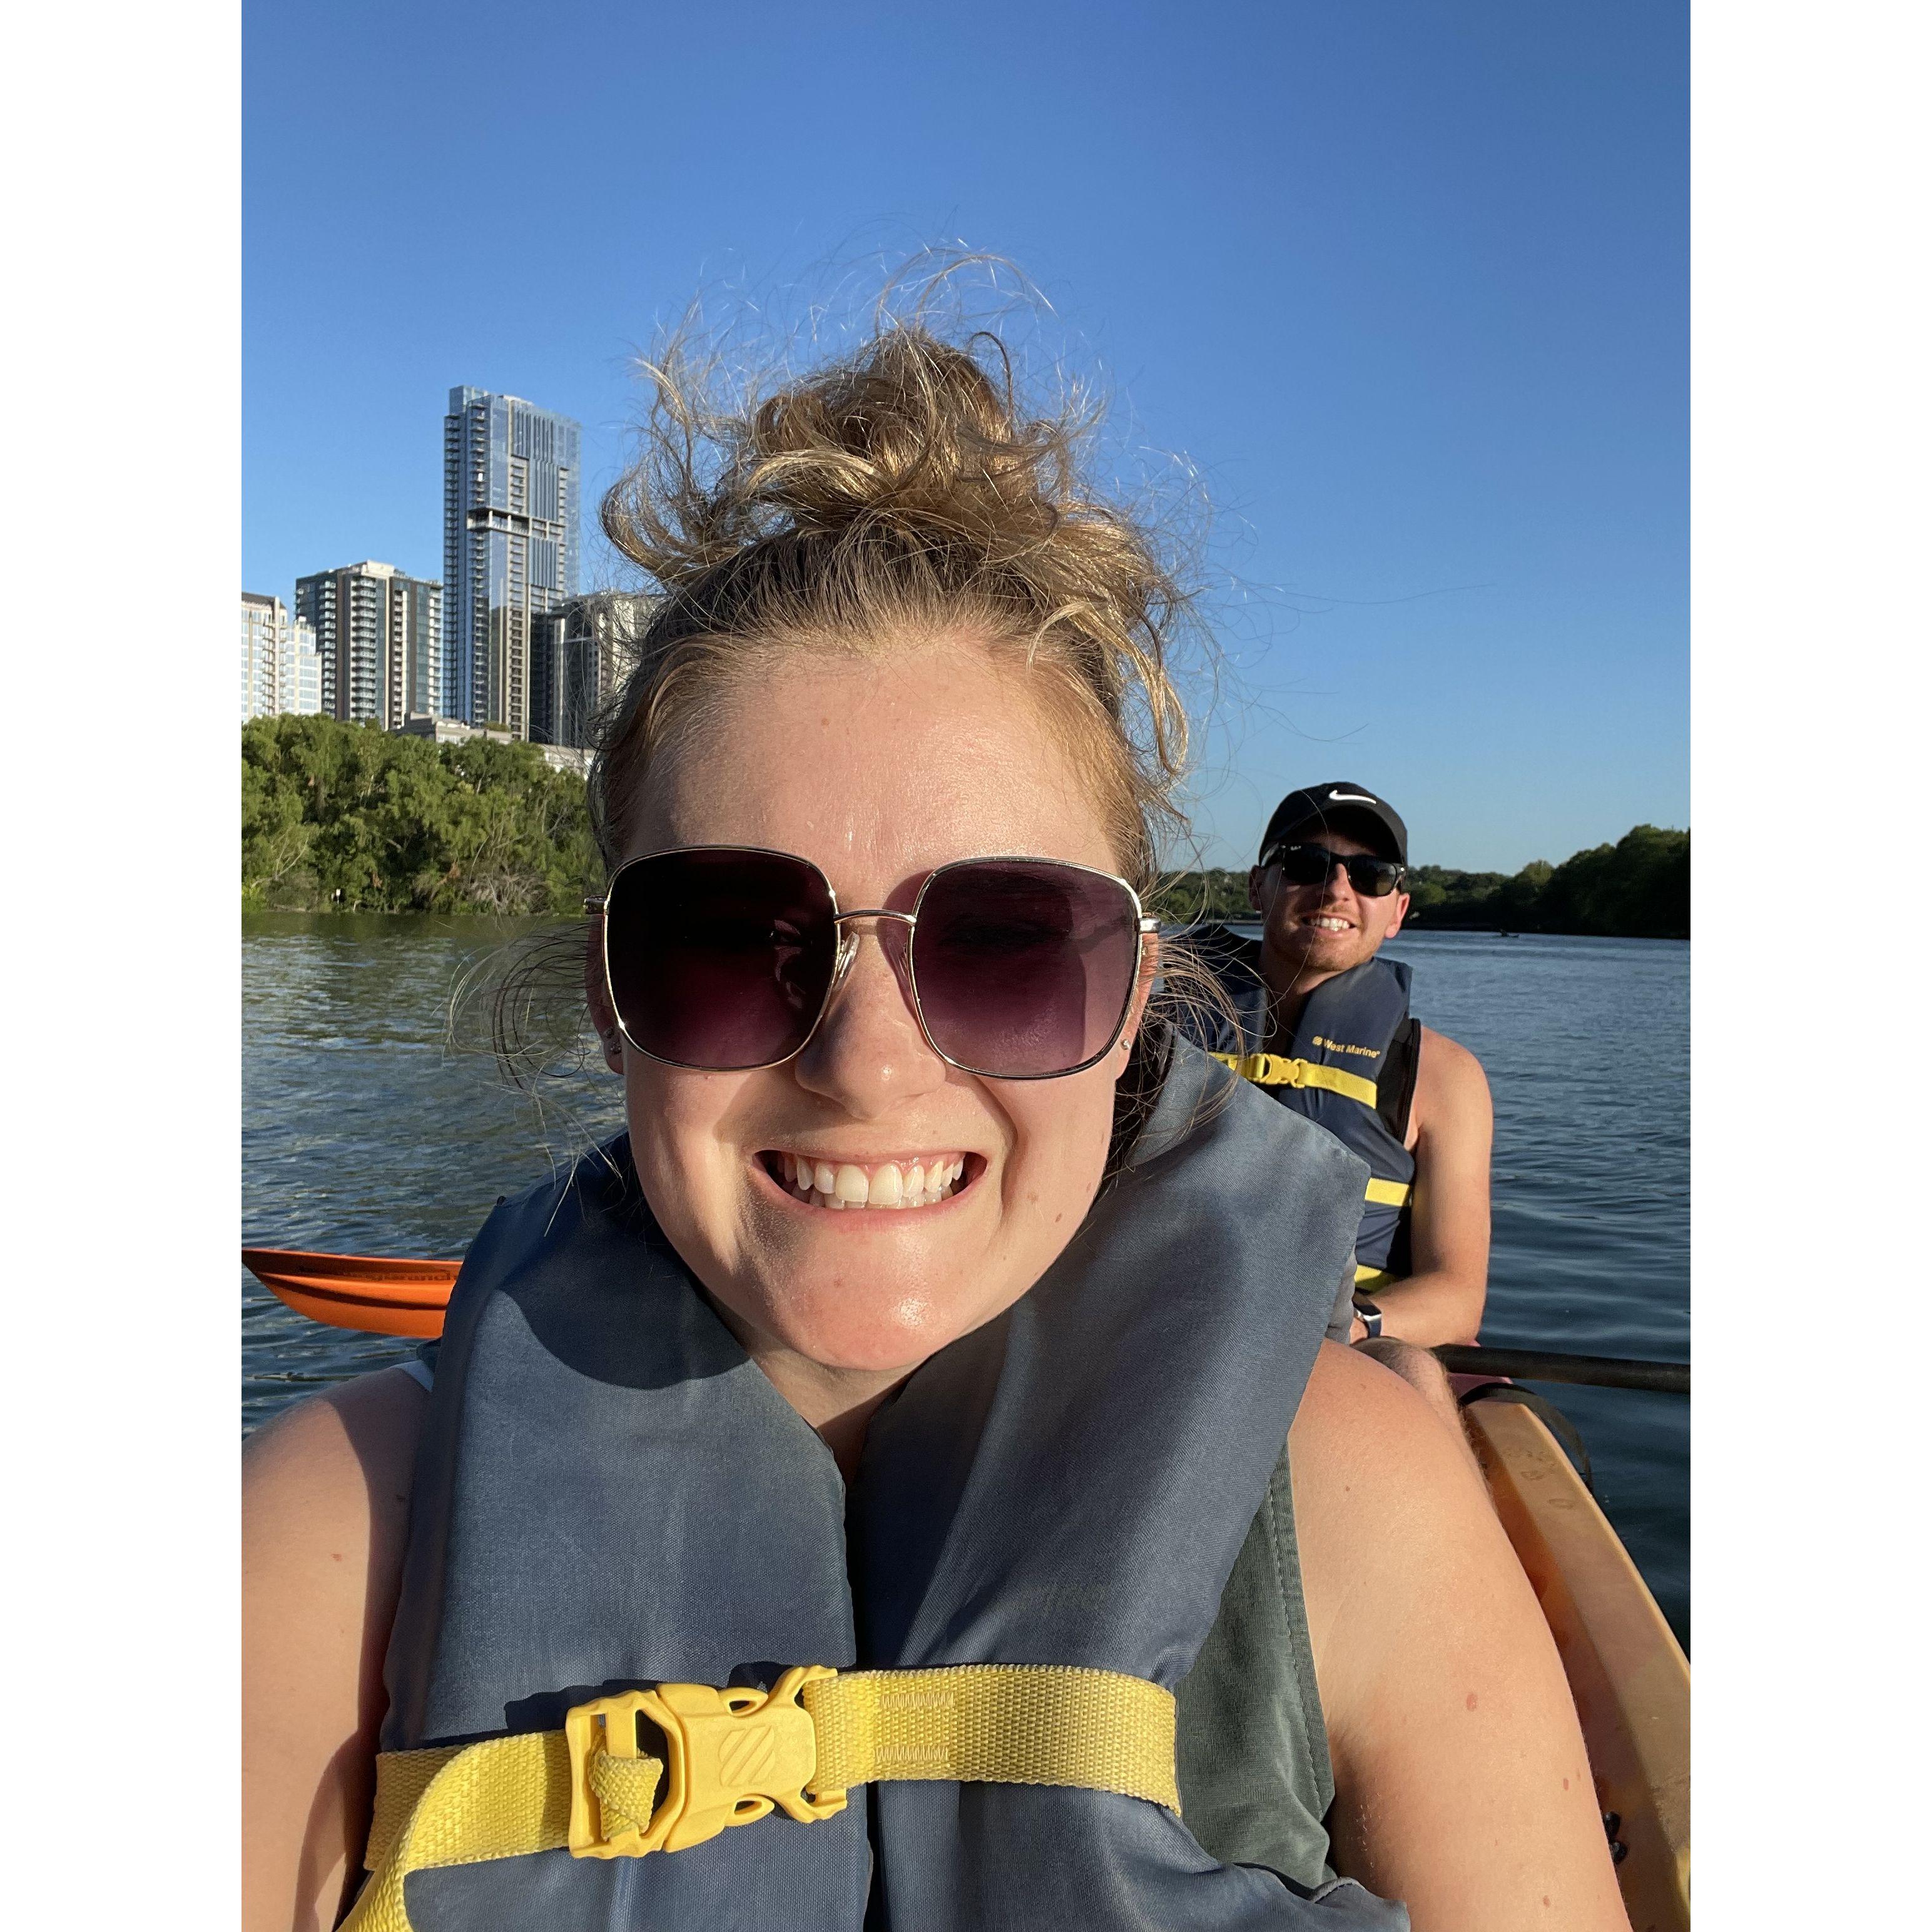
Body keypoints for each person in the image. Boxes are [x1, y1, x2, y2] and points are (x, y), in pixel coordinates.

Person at [242, 310, 1629, 1932]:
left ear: (1133, 999)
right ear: (611, 992)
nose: (867, 1061)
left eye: (1005, 943)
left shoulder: (1362, 1504)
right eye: (731, 937)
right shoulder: (333, 1543)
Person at [1184, 786, 1493, 1408]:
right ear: (1256, 887)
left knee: (1414, 1372)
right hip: (1171, 1316)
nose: (1335, 891)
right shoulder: (1157, 1025)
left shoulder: (1445, 1076)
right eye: (1306, 864)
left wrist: (1353, 1327)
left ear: (1397, 909)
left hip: (1344, 1347)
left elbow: (1457, 1293)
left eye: (1370, 875)